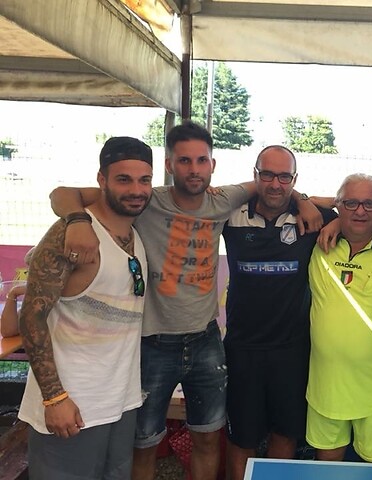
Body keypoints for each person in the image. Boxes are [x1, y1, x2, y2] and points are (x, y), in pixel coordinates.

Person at [50, 123, 322, 480]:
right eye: (184, 160)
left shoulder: (223, 201)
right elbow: (62, 193)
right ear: (169, 165)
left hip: (206, 341)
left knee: (208, 439)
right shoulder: (146, 199)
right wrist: (76, 221)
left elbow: (278, 187)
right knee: (145, 443)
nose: (194, 169)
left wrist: (303, 199)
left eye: (201, 161)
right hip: (153, 344)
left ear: (212, 165)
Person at [18, 136, 153, 479]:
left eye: (144, 180)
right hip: (71, 404)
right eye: (123, 179)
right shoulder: (70, 234)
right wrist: (54, 398)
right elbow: (32, 316)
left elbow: (64, 193)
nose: (136, 190)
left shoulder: (133, 231)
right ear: (101, 180)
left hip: (120, 401)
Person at [222, 145, 336, 480]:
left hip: (292, 351)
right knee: (241, 438)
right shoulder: (230, 214)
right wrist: (302, 198)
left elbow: (361, 208)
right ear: (255, 175)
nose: (275, 184)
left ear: (294, 179)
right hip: (242, 350)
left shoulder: (312, 217)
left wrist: (315, 207)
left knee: (285, 434)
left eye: (284, 177)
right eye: (268, 175)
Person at [306, 173, 372, 463]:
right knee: (327, 470)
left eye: (369, 204)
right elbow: (299, 199)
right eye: (351, 203)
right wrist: (338, 218)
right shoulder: (316, 237)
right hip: (326, 389)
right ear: (337, 205)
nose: (360, 211)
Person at [0, 247, 35, 337]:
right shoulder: (34, 299)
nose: (30, 276)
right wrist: (13, 293)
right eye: (29, 271)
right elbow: (8, 331)